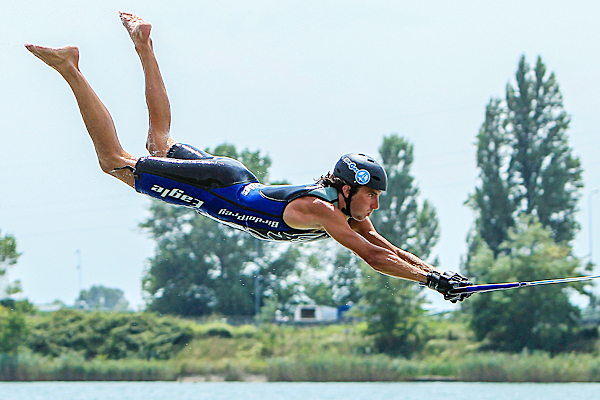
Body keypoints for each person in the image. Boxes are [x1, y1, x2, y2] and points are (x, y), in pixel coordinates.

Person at [25, 12, 472, 302]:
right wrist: (432, 284)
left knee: (159, 140)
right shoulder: (322, 210)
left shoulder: (346, 210)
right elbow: (372, 259)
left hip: (233, 178)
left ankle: (144, 43)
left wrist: (439, 273)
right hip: (220, 185)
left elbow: (386, 248)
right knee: (114, 160)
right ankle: (70, 68)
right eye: (372, 195)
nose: (375, 205)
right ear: (349, 187)